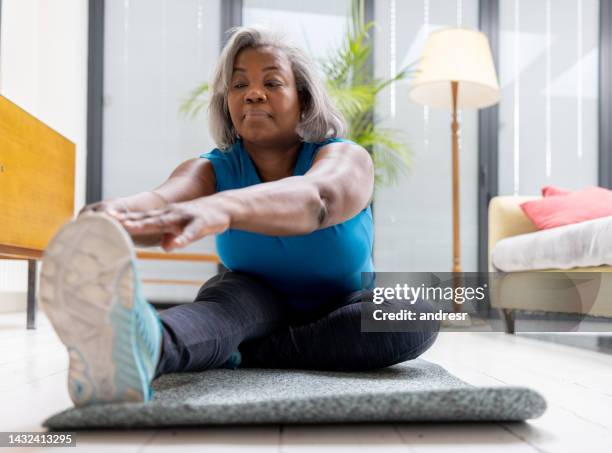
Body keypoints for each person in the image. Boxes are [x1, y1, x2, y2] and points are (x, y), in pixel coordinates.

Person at [40, 25, 440, 407]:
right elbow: (162, 202)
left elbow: (316, 199)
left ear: (303, 97)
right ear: (227, 101)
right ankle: (138, 349)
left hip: (343, 302)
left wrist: (222, 207)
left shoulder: (344, 157)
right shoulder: (213, 168)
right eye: (239, 84)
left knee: (416, 311)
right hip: (251, 298)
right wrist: (114, 216)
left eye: (271, 83)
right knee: (220, 310)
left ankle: (240, 351)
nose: (253, 94)